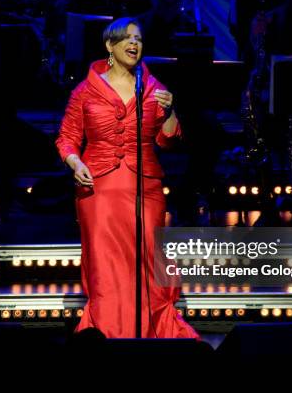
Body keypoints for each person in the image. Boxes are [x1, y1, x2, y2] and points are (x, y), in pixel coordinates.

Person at [55, 17, 199, 338]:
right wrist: (74, 161)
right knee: (106, 265)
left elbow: (169, 140)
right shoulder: (85, 90)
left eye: (139, 39)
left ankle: (149, 332)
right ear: (110, 46)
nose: (134, 44)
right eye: (127, 39)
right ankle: (109, 334)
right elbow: (66, 137)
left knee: (148, 259)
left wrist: (172, 111)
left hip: (144, 186)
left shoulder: (154, 88)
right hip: (99, 188)